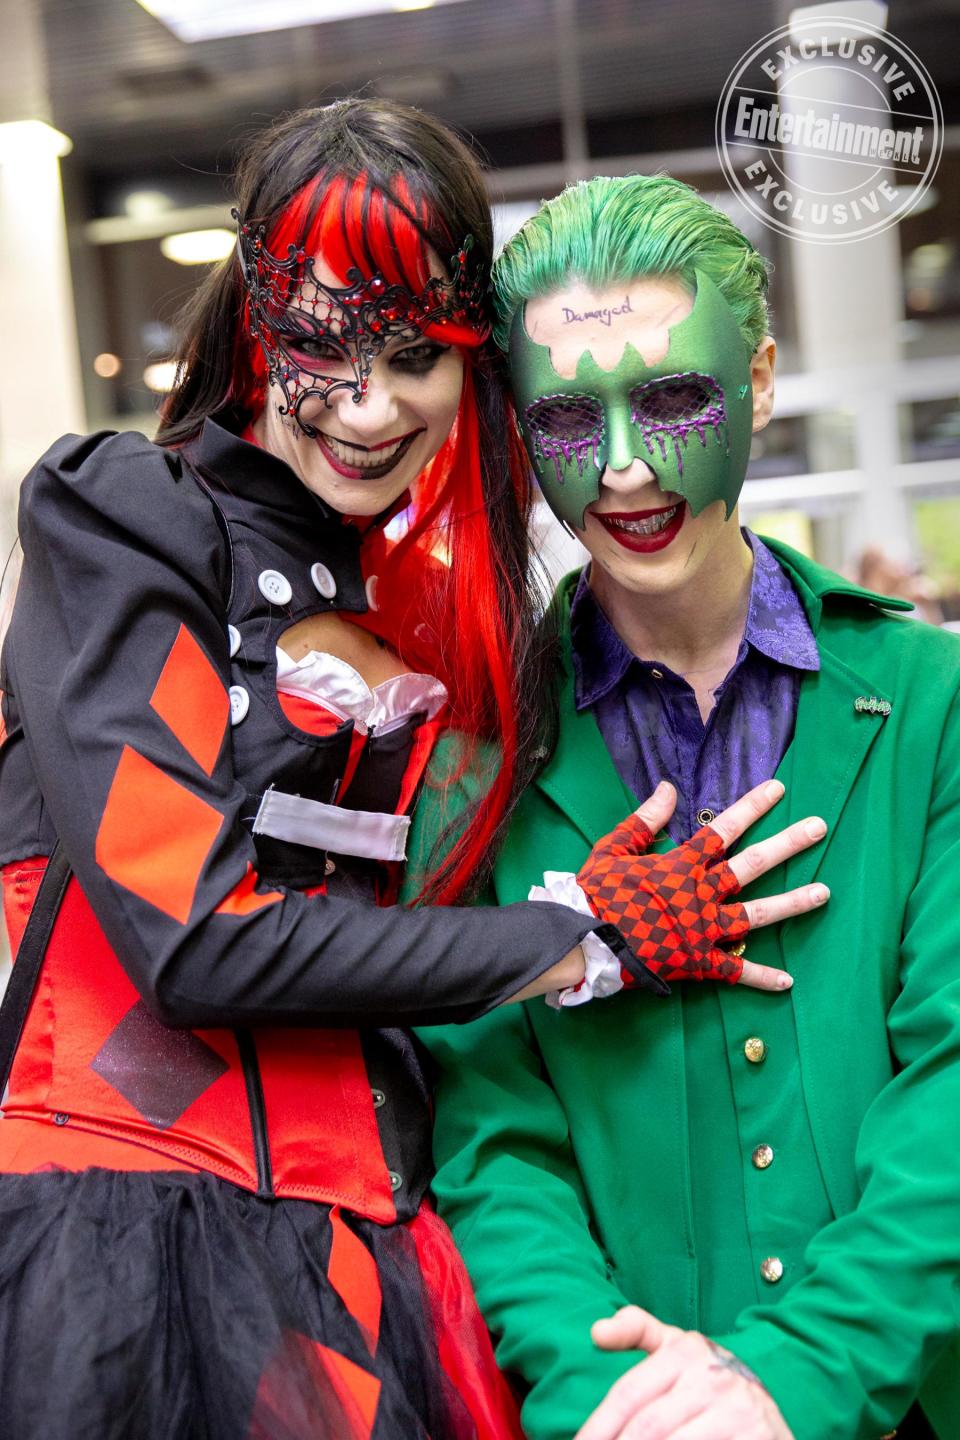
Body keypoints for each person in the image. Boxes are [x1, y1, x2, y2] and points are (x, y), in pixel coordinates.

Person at [0, 107, 828, 1439]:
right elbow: (196, 939)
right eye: (323, 347)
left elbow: (352, 949)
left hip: (353, 1249)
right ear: (253, 320)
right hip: (130, 1253)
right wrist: (577, 938)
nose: (369, 404)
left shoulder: (399, 607)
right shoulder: (125, 517)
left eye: (414, 355)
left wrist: (565, 915)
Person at [412, 174, 960, 1440]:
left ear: (760, 379)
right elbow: (494, 1144)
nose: (622, 467)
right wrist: (610, 1399)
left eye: (673, 397)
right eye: (564, 416)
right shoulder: (472, 763)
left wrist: (795, 1378)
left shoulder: (928, 706)